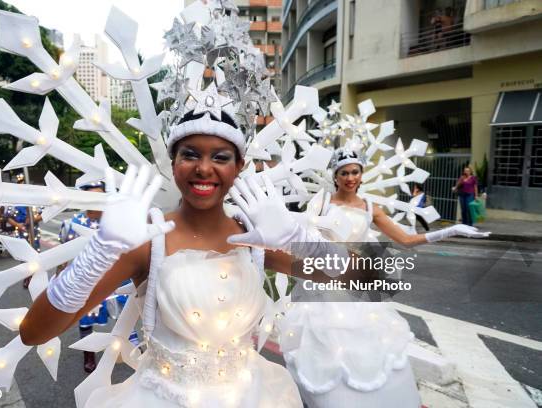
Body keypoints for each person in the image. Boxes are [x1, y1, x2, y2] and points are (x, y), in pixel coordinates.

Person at [18, 110, 328, 407]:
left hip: (256, 395)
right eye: (190, 154)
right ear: (173, 162)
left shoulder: (256, 239)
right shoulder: (146, 241)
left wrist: (298, 239)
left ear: (240, 166)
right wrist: (99, 251)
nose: (204, 168)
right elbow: (34, 332)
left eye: (220, 157)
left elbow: (370, 277)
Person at [278, 149, 490, 408]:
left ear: (361, 174)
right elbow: (305, 241)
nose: (350, 177)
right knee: (324, 355)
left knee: (368, 353)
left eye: (355, 171)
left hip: (358, 290)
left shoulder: (370, 208)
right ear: (335, 176)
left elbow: (407, 240)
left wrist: (449, 231)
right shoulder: (321, 203)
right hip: (324, 288)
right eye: (344, 172)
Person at [57, 181, 138, 374]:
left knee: (127, 318)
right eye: (91, 197)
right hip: (89, 284)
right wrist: (60, 277)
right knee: (86, 319)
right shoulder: (72, 224)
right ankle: (88, 353)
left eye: (101, 197)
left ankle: (134, 350)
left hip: (119, 282)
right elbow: (64, 255)